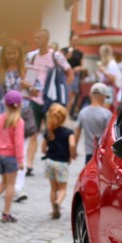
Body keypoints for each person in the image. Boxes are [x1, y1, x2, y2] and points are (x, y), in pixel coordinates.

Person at [25, 28, 72, 179]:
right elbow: (30, 75)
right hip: (35, 100)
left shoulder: (56, 56)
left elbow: (69, 73)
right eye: (35, 37)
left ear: (46, 39)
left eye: (39, 38)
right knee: (33, 132)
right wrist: (30, 87)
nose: (36, 40)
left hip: (50, 100)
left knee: (52, 132)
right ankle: (29, 165)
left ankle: (54, 159)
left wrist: (63, 90)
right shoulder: (32, 56)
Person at [0, 38, 32, 203]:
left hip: (23, 114)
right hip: (5, 116)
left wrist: (29, 86)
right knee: (8, 150)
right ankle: (9, 183)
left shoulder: (27, 71)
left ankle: (17, 187)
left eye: (14, 53)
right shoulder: (0, 72)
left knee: (22, 148)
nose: (11, 56)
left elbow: (36, 92)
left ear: (19, 54)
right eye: (8, 53)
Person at [0, 89, 26, 223]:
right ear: (20, 105)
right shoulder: (18, 122)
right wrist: (20, 161)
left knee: (4, 182)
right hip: (10, 157)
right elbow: (18, 143)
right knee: (10, 185)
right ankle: (6, 214)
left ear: (5, 104)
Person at [41, 103, 76, 219]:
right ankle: (58, 203)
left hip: (49, 162)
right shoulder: (68, 132)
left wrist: (48, 152)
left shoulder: (49, 131)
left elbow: (43, 149)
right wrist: (72, 155)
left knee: (53, 188)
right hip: (61, 163)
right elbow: (72, 144)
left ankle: (53, 210)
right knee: (63, 188)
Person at [75, 82, 113, 164]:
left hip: (89, 154)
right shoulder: (106, 114)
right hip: (102, 155)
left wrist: (74, 149)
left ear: (90, 95)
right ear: (103, 97)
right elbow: (110, 135)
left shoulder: (83, 112)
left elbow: (77, 132)